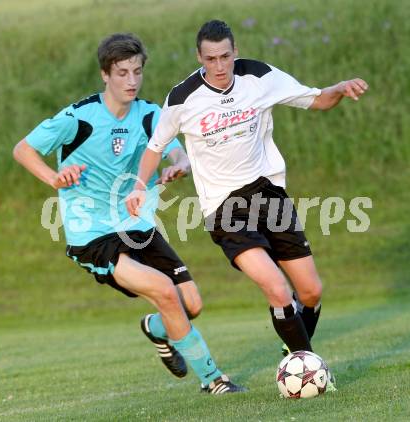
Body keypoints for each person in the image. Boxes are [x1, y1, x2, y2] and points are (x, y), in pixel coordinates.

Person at [128, 20, 369, 390]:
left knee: (310, 293)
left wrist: (338, 88)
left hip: (269, 195)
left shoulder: (260, 76)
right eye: (211, 59)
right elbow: (155, 147)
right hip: (224, 208)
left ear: (235, 52)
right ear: (199, 58)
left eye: (225, 56)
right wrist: (140, 186)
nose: (219, 66)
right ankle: (309, 372)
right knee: (277, 289)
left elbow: (317, 99)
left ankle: (292, 351)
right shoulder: (182, 97)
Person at [13, 32, 245, 394]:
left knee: (191, 303)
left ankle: (156, 328)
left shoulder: (151, 114)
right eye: (122, 73)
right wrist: (55, 178)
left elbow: (178, 153)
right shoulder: (79, 117)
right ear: (106, 74)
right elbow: (23, 149)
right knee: (165, 291)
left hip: (138, 225)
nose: (132, 81)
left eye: (137, 71)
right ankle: (214, 380)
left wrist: (178, 166)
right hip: (92, 233)